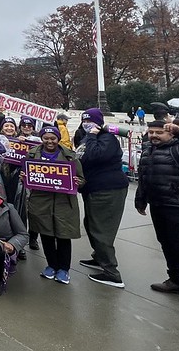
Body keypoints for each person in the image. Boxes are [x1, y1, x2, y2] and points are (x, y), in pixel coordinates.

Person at [135, 120, 179, 306]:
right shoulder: (148, 150)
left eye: (159, 132)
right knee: (166, 243)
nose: (154, 135)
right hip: (158, 204)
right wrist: (141, 199)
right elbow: (144, 176)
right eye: (151, 132)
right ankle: (176, 280)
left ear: (170, 135)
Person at [76, 107, 129, 288]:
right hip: (93, 189)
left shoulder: (107, 138)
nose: (86, 123)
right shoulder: (87, 138)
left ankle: (112, 273)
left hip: (107, 189)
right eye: (84, 120)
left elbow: (95, 155)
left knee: (101, 230)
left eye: (90, 120)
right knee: (91, 225)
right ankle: (98, 258)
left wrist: (91, 136)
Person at [26, 125, 84, 285]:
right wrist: (25, 178)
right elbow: (28, 176)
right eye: (46, 138)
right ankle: (51, 265)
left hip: (64, 203)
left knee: (64, 236)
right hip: (41, 202)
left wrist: (77, 182)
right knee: (46, 235)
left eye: (53, 138)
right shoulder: (32, 154)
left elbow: (82, 179)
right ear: (41, 138)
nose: (49, 141)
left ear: (58, 139)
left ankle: (64, 269)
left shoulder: (70, 157)